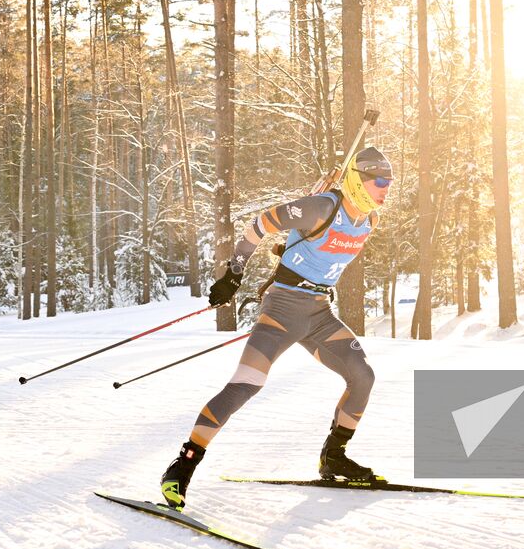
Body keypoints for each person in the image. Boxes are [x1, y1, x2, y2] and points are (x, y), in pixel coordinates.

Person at [158, 147, 394, 510]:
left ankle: (334, 457)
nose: (385, 188)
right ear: (357, 180)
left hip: (319, 314)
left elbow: (323, 252)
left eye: (389, 182)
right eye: (379, 181)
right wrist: (234, 273)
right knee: (245, 385)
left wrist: (295, 246)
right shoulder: (321, 206)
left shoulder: (369, 221)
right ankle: (181, 467)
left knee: (362, 376)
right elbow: (260, 224)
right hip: (282, 311)